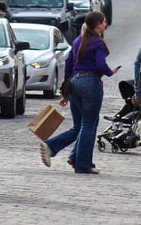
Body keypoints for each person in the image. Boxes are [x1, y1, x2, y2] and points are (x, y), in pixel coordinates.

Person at [39, 11, 120, 174]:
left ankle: (56, 149)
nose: (105, 24)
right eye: (104, 22)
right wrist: (110, 72)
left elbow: (69, 64)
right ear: (98, 24)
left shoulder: (77, 41)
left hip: (75, 83)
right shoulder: (98, 42)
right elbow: (99, 64)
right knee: (89, 125)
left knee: (79, 126)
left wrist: (65, 91)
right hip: (90, 84)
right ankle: (83, 164)